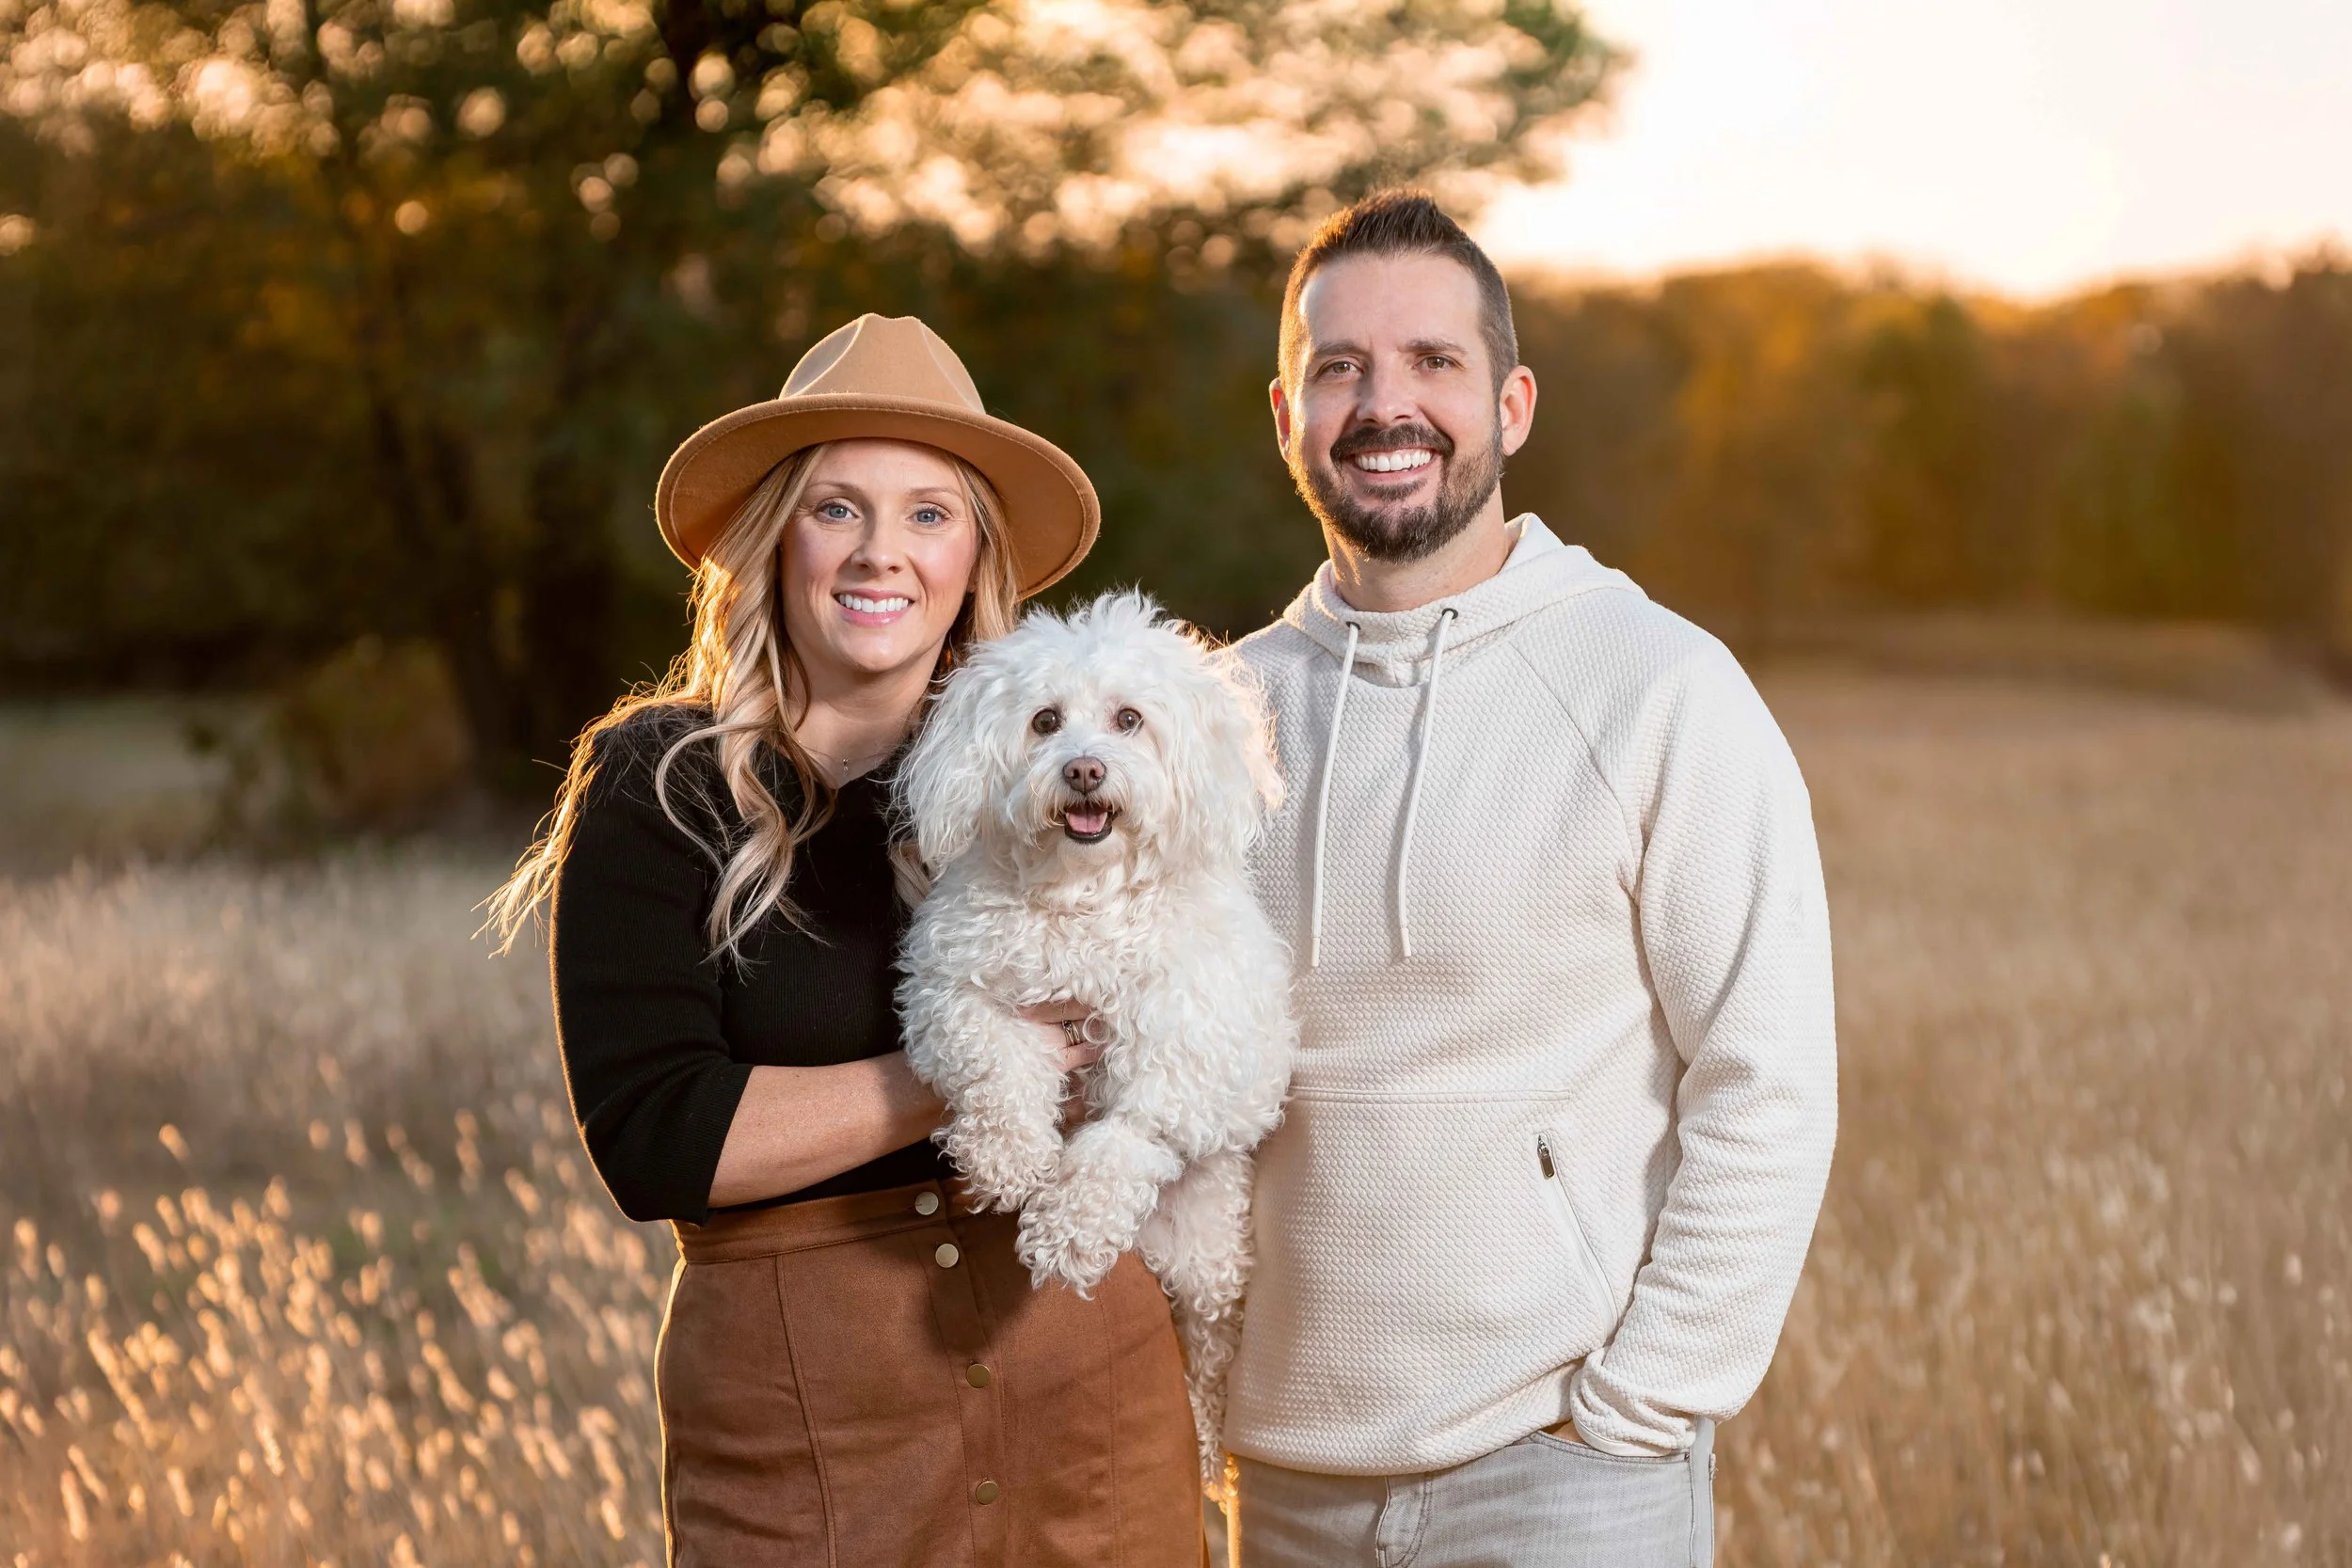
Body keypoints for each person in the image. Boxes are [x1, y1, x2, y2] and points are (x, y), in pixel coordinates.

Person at [489, 315, 1201, 1566]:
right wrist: (982, 1068)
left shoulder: (1068, 773)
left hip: (1088, 1384)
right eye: (838, 508)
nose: (884, 553)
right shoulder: (659, 782)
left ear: (976, 550)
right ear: (777, 540)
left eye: (929, 513)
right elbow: (656, 1140)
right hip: (808, 1419)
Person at [1213, 192, 1839, 1565]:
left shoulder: (1658, 688)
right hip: (1283, 1480)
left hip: (1562, 1480)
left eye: (1433, 362)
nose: (1388, 405)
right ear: (1285, 414)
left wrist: (1637, 1409)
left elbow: (1769, 1079)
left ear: (1513, 402)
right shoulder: (1212, 720)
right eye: (1341, 368)